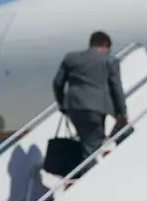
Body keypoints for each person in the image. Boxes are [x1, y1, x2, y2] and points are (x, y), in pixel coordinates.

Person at [53, 31, 129, 162]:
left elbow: (57, 83)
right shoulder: (109, 61)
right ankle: (88, 178)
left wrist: (62, 105)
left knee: (87, 142)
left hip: (73, 107)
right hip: (96, 109)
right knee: (91, 148)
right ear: (105, 45)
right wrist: (122, 112)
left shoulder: (70, 58)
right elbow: (116, 88)